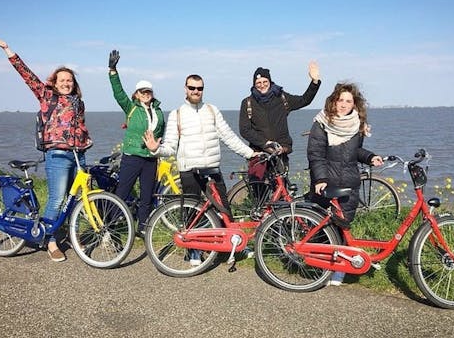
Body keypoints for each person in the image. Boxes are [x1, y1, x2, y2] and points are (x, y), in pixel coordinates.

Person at [0, 33, 93, 262]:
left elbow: (79, 127)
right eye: (62, 80)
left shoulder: (78, 103)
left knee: (77, 199)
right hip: (58, 155)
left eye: (70, 80)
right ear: (54, 82)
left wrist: (86, 140)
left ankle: (72, 232)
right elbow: (27, 75)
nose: (66, 83)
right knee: (57, 198)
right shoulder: (46, 95)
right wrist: (7, 49)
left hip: (78, 155)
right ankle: (50, 240)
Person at [143, 74, 259, 265]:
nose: (196, 91)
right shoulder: (177, 114)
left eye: (200, 88)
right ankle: (193, 250)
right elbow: (171, 146)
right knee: (192, 211)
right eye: (192, 88)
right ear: (185, 88)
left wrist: (250, 153)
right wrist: (156, 149)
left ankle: (233, 246)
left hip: (212, 168)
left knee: (224, 210)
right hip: (189, 170)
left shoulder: (212, 110)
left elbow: (228, 137)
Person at [307, 82, 383, 286]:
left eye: (348, 101)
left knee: (343, 228)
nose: (343, 104)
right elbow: (315, 153)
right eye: (340, 100)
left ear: (354, 104)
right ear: (334, 101)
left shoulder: (356, 125)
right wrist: (320, 179)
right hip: (326, 184)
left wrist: (370, 157)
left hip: (350, 183)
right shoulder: (322, 122)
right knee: (323, 228)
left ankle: (339, 268)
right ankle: (322, 267)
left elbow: (355, 152)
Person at [108, 50, 165, 238]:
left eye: (148, 91)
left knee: (147, 195)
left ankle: (142, 227)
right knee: (122, 192)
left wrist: (160, 144)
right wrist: (113, 71)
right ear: (137, 94)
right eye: (142, 91)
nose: (146, 94)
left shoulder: (158, 111)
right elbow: (118, 93)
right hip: (132, 157)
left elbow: (161, 132)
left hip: (150, 158)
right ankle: (111, 225)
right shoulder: (131, 107)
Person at [239, 62, 321, 171]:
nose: (262, 85)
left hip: (281, 151)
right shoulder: (247, 103)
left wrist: (314, 82)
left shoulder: (282, 98)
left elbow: (304, 100)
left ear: (270, 81)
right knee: (259, 187)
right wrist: (265, 143)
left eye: (265, 81)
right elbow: (245, 130)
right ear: (254, 84)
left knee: (281, 186)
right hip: (259, 154)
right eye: (258, 82)